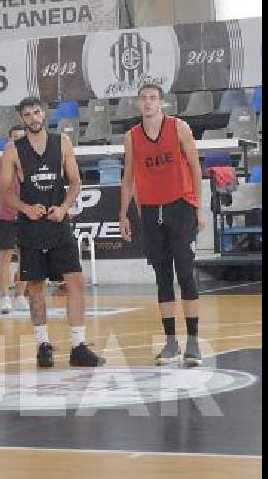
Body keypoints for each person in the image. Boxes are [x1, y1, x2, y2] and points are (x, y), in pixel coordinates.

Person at [0, 96, 105, 369]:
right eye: (28, 114)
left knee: (75, 281)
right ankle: (42, 344)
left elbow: (76, 181)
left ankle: (79, 345)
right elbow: (3, 189)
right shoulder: (13, 150)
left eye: (37, 112)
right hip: (30, 225)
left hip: (58, 223)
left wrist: (64, 207)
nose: (33, 118)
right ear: (22, 118)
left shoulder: (62, 143)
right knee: (35, 287)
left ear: (44, 114)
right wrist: (25, 208)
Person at [119, 83, 207, 367]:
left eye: (153, 98)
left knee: (185, 273)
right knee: (162, 277)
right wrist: (123, 214)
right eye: (143, 98)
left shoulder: (179, 128)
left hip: (180, 207)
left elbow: (195, 167)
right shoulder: (132, 137)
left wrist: (198, 206)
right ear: (138, 103)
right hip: (149, 210)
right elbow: (128, 178)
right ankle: (171, 342)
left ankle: (193, 341)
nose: (148, 103)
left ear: (161, 102)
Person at [0, 125, 30, 314]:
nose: (18, 141)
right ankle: (5, 297)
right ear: (9, 140)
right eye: (14, 138)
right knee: (5, 256)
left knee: (26, 255)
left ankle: (21, 295)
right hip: (6, 214)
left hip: (26, 215)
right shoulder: (0, 163)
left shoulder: (32, 161)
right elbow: (1, 188)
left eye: (21, 138)